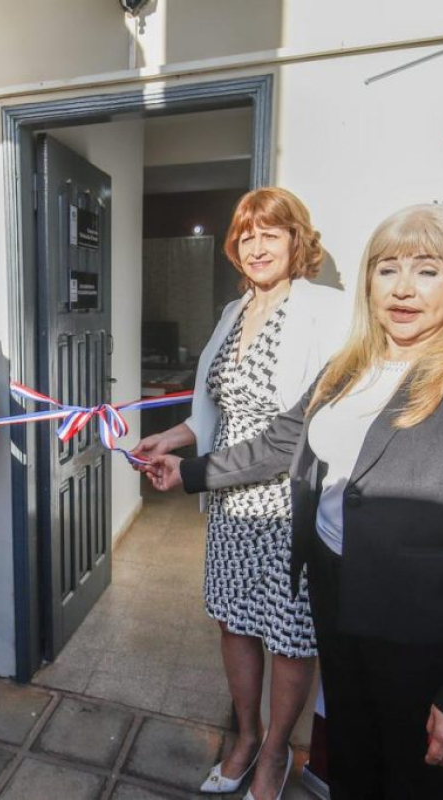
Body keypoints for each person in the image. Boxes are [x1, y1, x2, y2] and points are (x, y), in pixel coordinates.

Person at [150, 204, 443, 799]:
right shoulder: (350, 365)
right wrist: (189, 472)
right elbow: (280, 442)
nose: (404, 289)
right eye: (388, 270)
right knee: (356, 769)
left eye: (428, 271)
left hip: (417, 630)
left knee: (409, 784)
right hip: (338, 601)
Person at [131, 188, 347, 799]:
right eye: (246, 235)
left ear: (296, 241)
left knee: (289, 634)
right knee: (234, 621)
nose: (256, 246)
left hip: (288, 502)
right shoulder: (232, 314)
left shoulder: (327, 311)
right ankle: (245, 737)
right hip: (231, 502)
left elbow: (299, 429)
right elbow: (209, 415)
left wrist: (191, 471)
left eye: (270, 233)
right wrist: (166, 441)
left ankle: (276, 752)